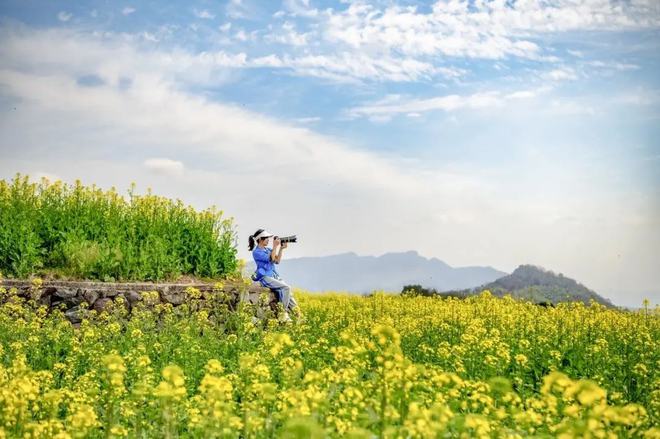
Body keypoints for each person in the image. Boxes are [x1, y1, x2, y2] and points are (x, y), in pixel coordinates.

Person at [248, 229, 299, 322]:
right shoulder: (256, 252)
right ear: (260, 240)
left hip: (274, 275)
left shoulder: (268, 249)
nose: (268, 240)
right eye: (266, 238)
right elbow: (271, 258)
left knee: (289, 294)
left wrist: (281, 249)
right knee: (286, 288)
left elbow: (277, 261)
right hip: (265, 277)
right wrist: (275, 246)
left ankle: (299, 316)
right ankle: (282, 313)